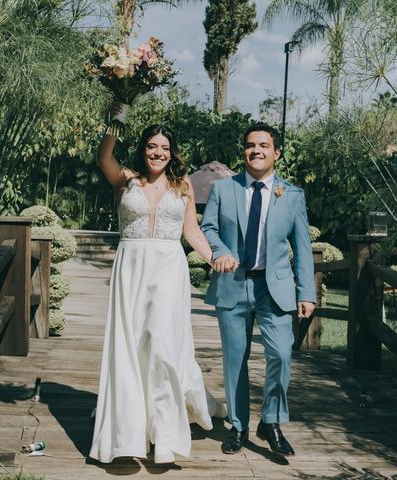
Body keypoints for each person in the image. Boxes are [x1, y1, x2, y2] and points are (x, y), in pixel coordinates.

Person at [89, 105, 227, 464]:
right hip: (131, 268)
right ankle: (130, 433)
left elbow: (191, 231)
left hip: (168, 268)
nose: (158, 153)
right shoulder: (125, 179)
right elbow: (103, 153)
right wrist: (117, 116)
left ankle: (166, 435)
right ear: (143, 148)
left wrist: (213, 257)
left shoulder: (182, 186)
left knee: (163, 345)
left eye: (164, 148)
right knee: (131, 347)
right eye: (152, 146)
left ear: (172, 152)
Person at [201, 123, 316, 457]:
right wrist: (220, 251)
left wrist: (306, 292)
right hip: (233, 286)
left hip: (274, 289)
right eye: (250, 145)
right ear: (244, 152)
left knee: (280, 354)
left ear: (276, 153)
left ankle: (271, 422)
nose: (257, 151)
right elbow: (207, 227)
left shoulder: (292, 195)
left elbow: (303, 248)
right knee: (235, 360)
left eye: (264, 145)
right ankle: (238, 426)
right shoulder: (224, 190)